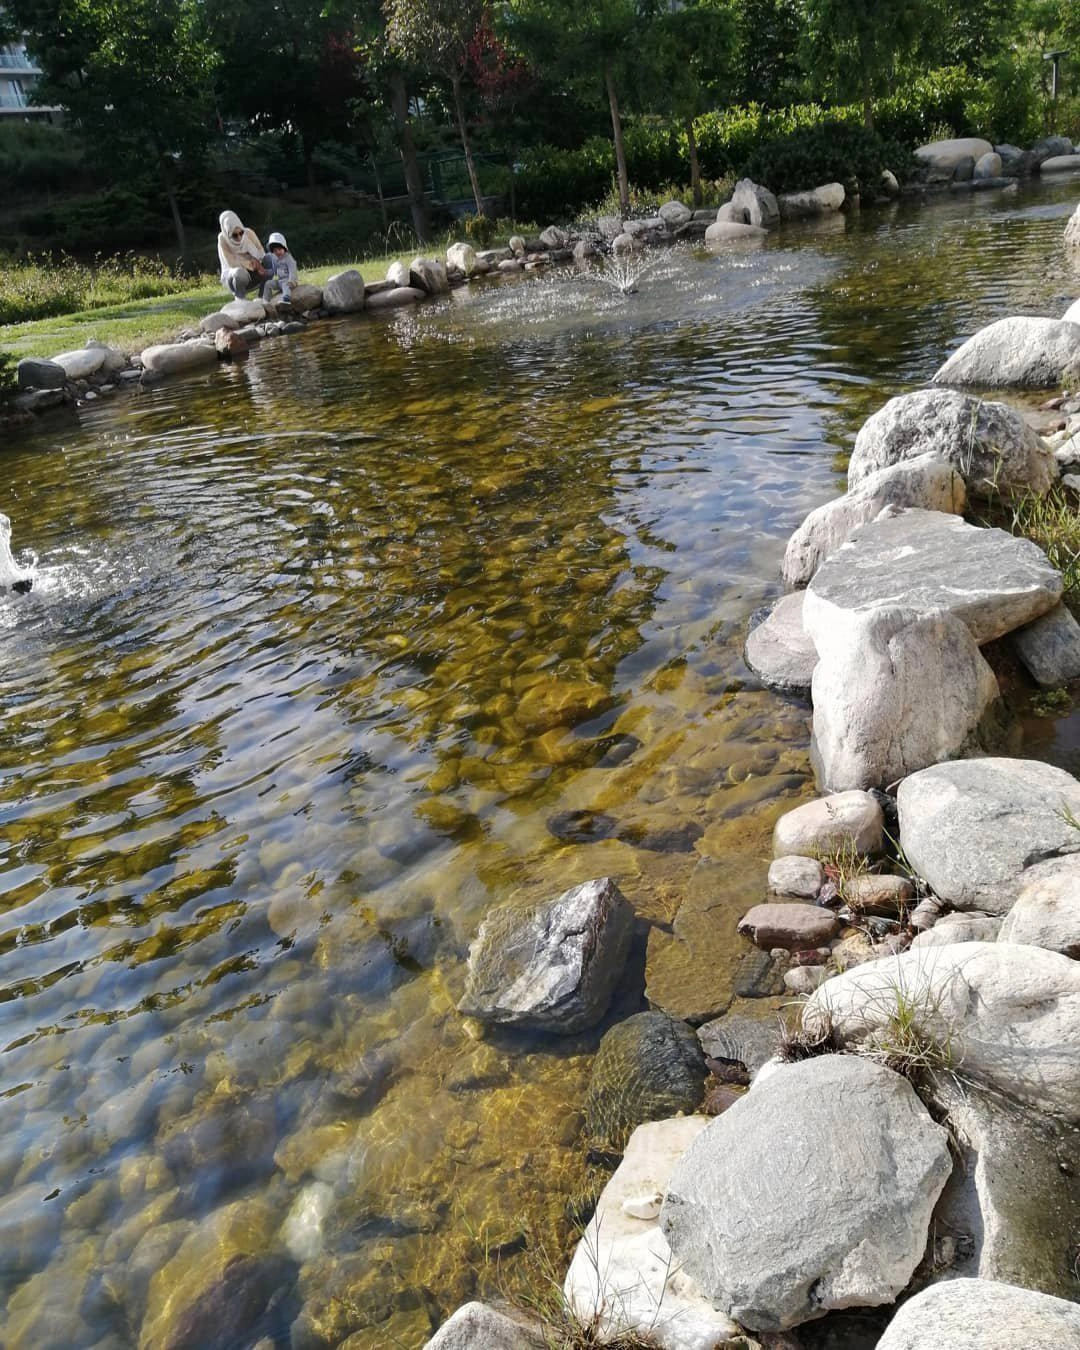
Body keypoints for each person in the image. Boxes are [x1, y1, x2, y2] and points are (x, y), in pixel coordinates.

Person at [217, 209, 268, 299]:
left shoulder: (249, 233)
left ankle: (263, 295)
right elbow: (231, 263)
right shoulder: (223, 239)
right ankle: (240, 300)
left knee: (270, 259)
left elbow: (261, 251)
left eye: (241, 233)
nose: (239, 237)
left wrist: (257, 261)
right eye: (235, 235)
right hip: (234, 277)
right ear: (227, 233)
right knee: (239, 272)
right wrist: (249, 263)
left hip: (256, 271)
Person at [261, 231, 298, 304]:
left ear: (284, 248)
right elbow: (274, 271)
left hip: (288, 281)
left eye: (280, 249)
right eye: (275, 251)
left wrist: (291, 280)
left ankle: (286, 298)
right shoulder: (275, 259)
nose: (278, 252)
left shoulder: (288, 258)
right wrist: (266, 272)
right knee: (268, 283)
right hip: (280, 281)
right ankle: (266, 300)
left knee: (285, 285)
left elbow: (292, 269)